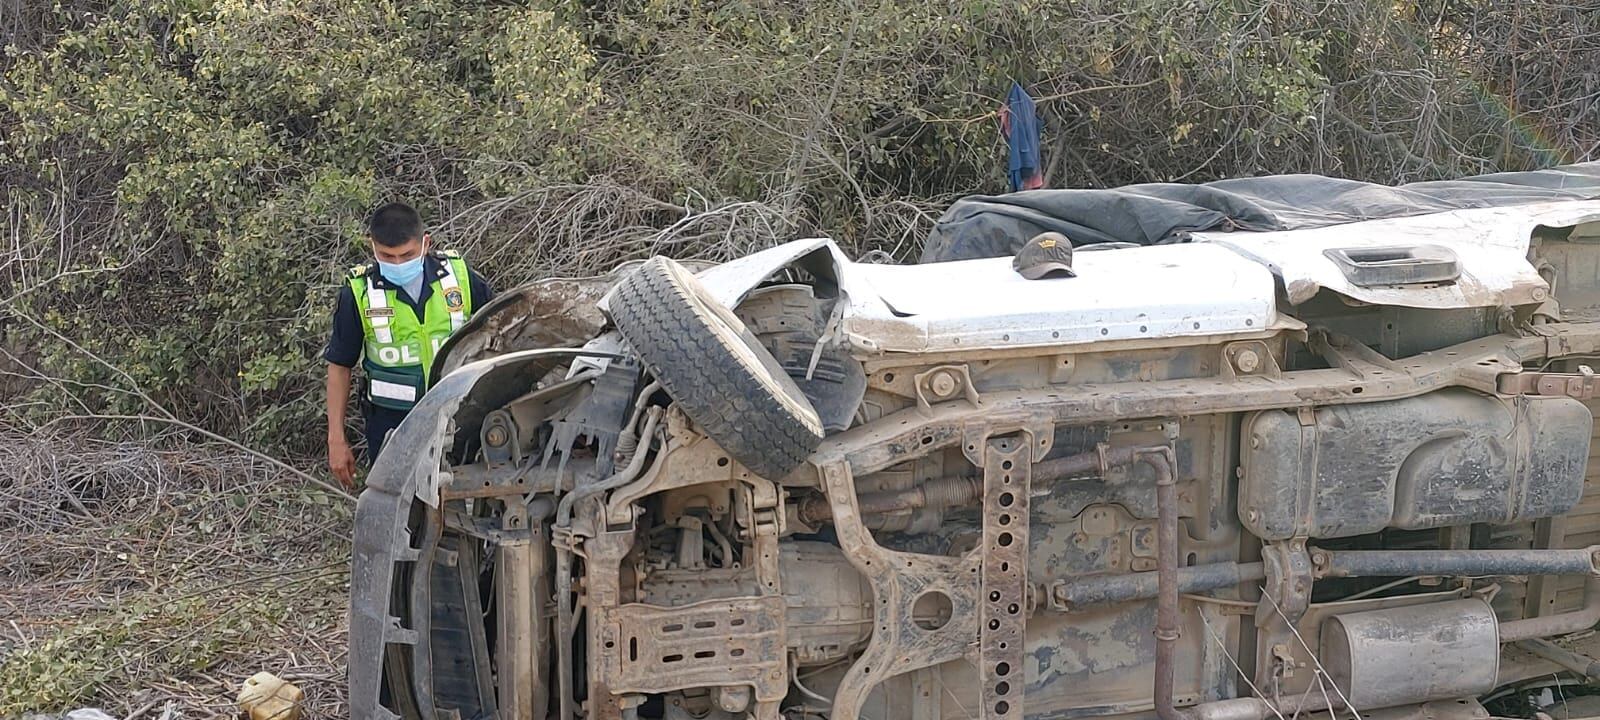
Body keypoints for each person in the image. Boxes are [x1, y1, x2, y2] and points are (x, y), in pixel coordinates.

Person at [324, 202, 494, 488]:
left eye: (407, 255)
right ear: (372, 248)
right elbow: (340, 367)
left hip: (462, 416)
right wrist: (336, 440)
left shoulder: (459, 278)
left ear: (425, 243)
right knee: (397, 512)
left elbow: (500, 332)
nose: (398, 264)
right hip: (392, 426)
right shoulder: (359, 293)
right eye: (387, 256)